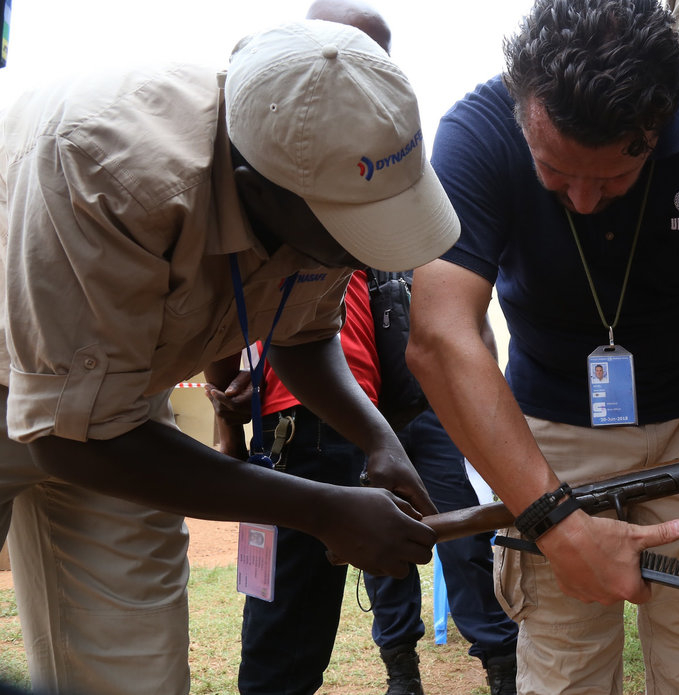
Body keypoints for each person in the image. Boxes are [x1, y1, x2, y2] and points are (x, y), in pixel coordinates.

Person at [0, 19, 458, 695]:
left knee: (136, 677)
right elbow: (69, 443)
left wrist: (377, 438)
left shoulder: (318, 183)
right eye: (346, 237)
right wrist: (326, 509)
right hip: (71, 409)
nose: (359, 256)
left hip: (113, 405)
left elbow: (303, 335)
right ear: (257, 187)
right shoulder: (111, 165)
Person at [407, 1, 679, 691]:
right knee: (564, 668)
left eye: (616, 174)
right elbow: (441, 336)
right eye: (554, 170)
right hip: (548, 439)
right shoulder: (476, 132)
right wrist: (550, 515)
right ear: (525, 107)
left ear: (663, 116)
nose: (584, 200)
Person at [204, 5, 518, 695]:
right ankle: (398, 667)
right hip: (303, 419)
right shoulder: (236, 197)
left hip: (395, 404)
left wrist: (397, 425)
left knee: (440, 538)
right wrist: (236, 403)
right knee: (314, 595)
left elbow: (423, 311)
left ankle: (499, 658)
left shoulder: (379, 187)